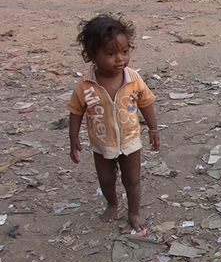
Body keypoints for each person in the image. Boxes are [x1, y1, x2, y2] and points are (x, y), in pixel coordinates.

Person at [67, 14, 160, 233]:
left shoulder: (133, 78)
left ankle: (134, 212)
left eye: (124, 51)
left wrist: (153, 128)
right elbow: (76, 110)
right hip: (101, 143)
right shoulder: (86, 84)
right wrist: (73, 137)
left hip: (130, 141)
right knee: (106, 180)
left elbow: (146, 103)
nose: (120, 58)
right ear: (92, 55)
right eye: (110, 53)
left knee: (132, 180)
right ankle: (112, 203)